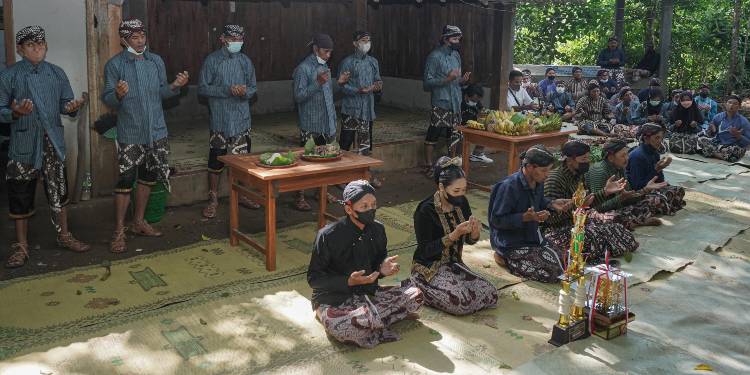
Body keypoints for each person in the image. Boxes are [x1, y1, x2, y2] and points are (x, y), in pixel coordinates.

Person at [0, 26, 90, 267]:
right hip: (24, 143)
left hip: (53, 142)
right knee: (20, 194)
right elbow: (1, 110)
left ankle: (64, 235)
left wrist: (71, 107)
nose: (37, 49)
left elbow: (65, 104)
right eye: (31, 45)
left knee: (58, 190)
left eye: (41, 44)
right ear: (20, 49)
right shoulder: (9, 76)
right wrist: (14, 113)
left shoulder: (57, 73)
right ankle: (21, 246)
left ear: (46, 47)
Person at [102, 19, 189, 253]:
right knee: (124, 181)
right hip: (130, 132)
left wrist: (174, 86)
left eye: (142, 36)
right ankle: (119, 229)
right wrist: (118, 95)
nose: (140, 41)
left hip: (156, 131)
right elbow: (107, 98)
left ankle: (139, 222)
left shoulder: (155, 61)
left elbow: (162, 93)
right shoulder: (115, 65)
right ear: (123, 40)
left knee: (148, 177)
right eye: (134, 37)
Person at [308, 180, 423, 348]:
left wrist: (382, 269)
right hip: (334, 299)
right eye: (364, 206)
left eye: (373, 205)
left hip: (368, 293)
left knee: (416, 295)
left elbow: (378, 264)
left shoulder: (378, 229)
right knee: (345, 324)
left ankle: (369, 320)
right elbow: (314, 279)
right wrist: (348, 281)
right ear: (349, 209)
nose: (370, 210)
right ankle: (366, 319)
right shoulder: (327, 235)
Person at [411, 157, 497, 315]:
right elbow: (425, 251)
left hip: (454, 263)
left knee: (490, 294)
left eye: (464, 190)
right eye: (456, 191)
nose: (461, 195)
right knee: (460, 303)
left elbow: (469, 239)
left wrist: (474, 233)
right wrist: (453, 235)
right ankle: (419, 285)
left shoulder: (461, 203)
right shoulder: (425, 210)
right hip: (430, 267)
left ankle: (449, 286)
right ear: (441, 187)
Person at [199, 24, 260, 218]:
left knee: (242, 161)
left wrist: (245, 92)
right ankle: (213, 198)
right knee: (216, 160)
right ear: (223, 39)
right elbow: (202, 88)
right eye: (233, 39)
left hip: (241, 120)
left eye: (240, 39)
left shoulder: (245, 61)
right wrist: (227, 90)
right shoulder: (212, 61)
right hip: (220, 120)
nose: (237, 43)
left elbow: (253, 88)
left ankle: (242, 195)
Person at [543, 140, 639, 263]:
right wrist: (578, 207)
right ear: (570, 160)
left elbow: (588, 203)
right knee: (594, 236)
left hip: (578, 221)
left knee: (618, 229)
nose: (587, 162)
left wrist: (605, 192)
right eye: (583, 159)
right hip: (556, 230)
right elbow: (550, 219)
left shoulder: (578, 175)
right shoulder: (554, 180)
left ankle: (600, 252)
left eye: (588, 158)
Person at [488, 146, 572, 282]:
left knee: (568, 261)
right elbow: (496, 220)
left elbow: (538, 200)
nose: (547, 174)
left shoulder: (537, 182)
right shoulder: (509, 187)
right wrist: (523, 218)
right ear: (531, 167)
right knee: (553, 272)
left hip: (531, 236)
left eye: (549, 170)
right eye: (544, 170)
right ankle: (504, 257)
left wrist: (551, 204)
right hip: (510, 242)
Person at [292, 33, 350, 211]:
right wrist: (317, 82)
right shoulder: (303, 69)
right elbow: (298, 96)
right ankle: (299, 196)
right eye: (326, 51)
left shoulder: (325, 66)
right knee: (305, 161)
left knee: (325, 159)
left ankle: (321, 191)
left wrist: (338, 82)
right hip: (311, 123)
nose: (328, 55)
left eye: (331, 52)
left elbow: (327, 94)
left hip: (327, 123)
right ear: (315, 49)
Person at [586, 139, 685, 231]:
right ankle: (637, 220)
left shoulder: (620, 168)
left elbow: (630, 196)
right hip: (607, 211)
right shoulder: (599, 171)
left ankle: (636, 218)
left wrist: (645, 190)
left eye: (627, 155)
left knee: (657, 198)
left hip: (622, 206)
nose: (627, 158)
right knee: (611, 218)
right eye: (623, 156)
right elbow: (596, 207)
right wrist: (620, 198)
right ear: (611, 157)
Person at [423, 25, 470, 177]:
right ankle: (429, 166)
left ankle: (452, 164)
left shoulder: (456, 55)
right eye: (454, 38)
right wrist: (447, 79)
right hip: (441, 101)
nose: (457, 41)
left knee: (455, 133)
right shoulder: (434, 56)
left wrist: (462, 80)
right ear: (445, 39)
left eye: (459, 39)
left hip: (456, 101)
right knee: (434, 132)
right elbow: (427, 83)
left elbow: (456, 80)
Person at [338, 30, 384, 187]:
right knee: (346, 142)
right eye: (363, 41)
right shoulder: (348, 62)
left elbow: (379, 81)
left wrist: (377, 86)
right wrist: (358, 90)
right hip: (351, 109)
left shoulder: (373, 62)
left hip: (367, 109)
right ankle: (342, 177)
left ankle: (366, 175)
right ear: (355, 43)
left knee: (365, 143)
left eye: (368, 41)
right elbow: (341, 87)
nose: (367, 44)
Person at [697, 95, 750, 162]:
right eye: (729, 102)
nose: (731, 105)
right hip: (717, 144)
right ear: (725, 104)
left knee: (735, 151)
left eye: (735, 104)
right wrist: (711, 129)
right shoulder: (718, 117)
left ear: (739, 106)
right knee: (700, 139)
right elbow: (711, 135)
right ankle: (721, 155)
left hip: (732, 146)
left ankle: (710, 152)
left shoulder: (744, 121)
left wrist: (738, 136)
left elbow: (747, 142)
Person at [461, 84, 493, 163]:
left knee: (487, 129)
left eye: (477, 100)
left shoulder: (477, 101)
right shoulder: (459, 100)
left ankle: (477, 154)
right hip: (460, 124)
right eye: (473, 100)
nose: (475, 102)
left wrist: (485, 114)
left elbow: (482, 110)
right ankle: (459, 156)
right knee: (459, 133)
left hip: (472, 124)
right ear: (467, 95)